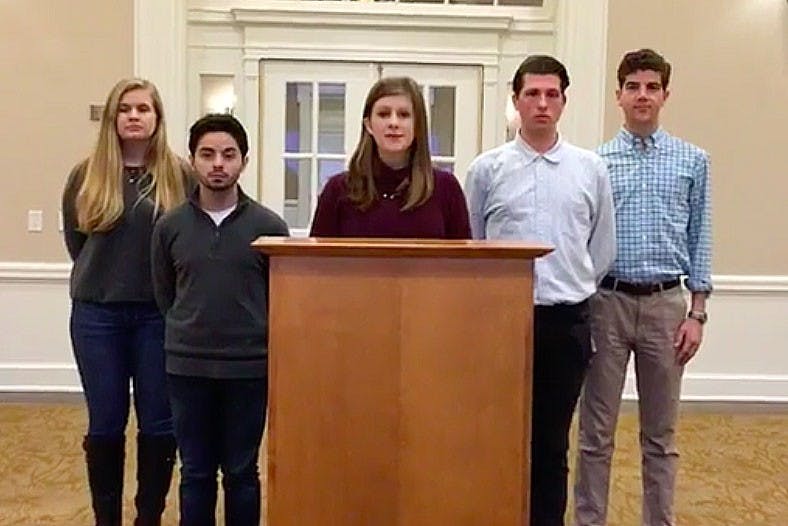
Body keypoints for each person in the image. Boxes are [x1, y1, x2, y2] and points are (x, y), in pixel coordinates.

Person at [464, 55, 616, 526]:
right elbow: (472, 243)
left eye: (552, 95)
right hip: (501, 323)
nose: (542, 104)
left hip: (566, 322)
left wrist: (572, 286)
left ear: (564, 102)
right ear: (516, 100)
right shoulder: (487, 170)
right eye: (532, 94)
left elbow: (601, 248)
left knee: (551, 444)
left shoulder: (589, 169)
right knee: (498, 438)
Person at [574, 48, 712, 526]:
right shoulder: (595, 163)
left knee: (661, 436)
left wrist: (697, 313)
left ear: (665, 95)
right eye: (633, 87)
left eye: (652, 87)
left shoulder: (693, 161)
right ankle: (590, 519)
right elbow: (583, 237)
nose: (642, 95)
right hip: (607, 303)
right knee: (596, 433)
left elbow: (700, 237)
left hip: (666, 307)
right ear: (619, 95)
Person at [62, 78, 190, 525]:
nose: (134, 116)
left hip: (159, 316)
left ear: (157, 118)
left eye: (143, 109)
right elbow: (77, 242)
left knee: (158, 422)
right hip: (97, 317)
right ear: (113, 118)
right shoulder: (86, 175)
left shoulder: (180, 175)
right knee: (105, 422)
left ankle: (147, 517)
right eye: (125, 109)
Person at [151, 113, 289, 525]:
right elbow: (164, 294)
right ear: (192, 159)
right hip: (187, 367)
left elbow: (280, 298)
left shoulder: (269, 227)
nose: (218, 164)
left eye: (228, 155)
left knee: (241, 473)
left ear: (244, 161)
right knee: (195, 472)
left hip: (248, 368)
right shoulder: (170, 227)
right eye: (207, 154)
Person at [309, 76, 470, 239]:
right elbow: (315, 254)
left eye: (404, 115)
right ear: (368, 125)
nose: (393, 123)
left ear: (417, 125)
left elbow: (465, 254)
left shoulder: (446, 189)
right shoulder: (337, 190)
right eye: (384, 114)